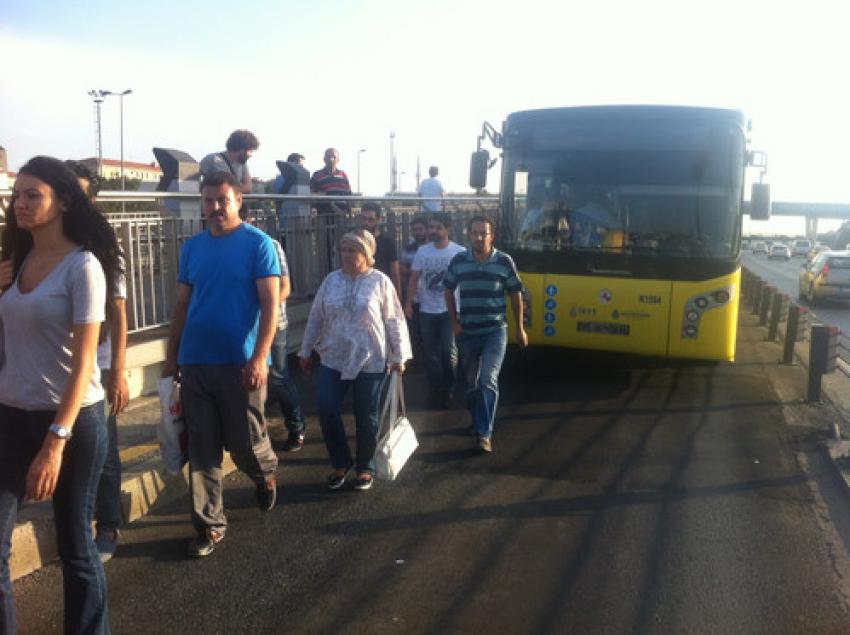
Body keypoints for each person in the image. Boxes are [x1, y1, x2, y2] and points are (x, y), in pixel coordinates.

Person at [0, 155, 122, 634]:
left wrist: (56, 442)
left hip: (71, 421)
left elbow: (85, 362)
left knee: (75, 545)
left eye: (34, 195)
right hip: (10, 416)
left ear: (64, 202)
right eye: (17, 196)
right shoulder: (16, 261)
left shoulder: (82, 267)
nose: (21, 205)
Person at [162, 171, 280, 558]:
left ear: (238, 200)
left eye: (221, 200)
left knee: (245, 443)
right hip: (196, 361)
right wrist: (171, 358)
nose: (213, 208)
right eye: (208, 201)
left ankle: (264, 474)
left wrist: (260, 357)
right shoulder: (193, 248)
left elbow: (269, 307)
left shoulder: (258, 245)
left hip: (240, 363)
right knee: (202, 447)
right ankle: (210, 524)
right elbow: (182, 305)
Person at [299, 230, 411, 492]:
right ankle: (341, 463)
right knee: (326, 409)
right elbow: (316, 317)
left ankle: (365, 467)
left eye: (354, 250)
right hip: (334, 357)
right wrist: (305, 351)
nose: (347, 255)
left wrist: (399, 355)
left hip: (370, 359)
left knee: (366, 416)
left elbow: (394, 320)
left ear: (368, 254)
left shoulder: (380, 282)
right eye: (344, 250)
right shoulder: (331, 281)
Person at [67, 160, 129, 564]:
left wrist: (119, 371)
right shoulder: (38, 240)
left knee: (102, 448)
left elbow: (120, 312)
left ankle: (107, 524)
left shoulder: (104, 246)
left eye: (79, 193)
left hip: (100, 361)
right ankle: (76, 525)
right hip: (53, 363)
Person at [443, 216, 527, 453]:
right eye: (475, 233)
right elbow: (448, 290)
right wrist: (455, 323)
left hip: (494, 331)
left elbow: (515, 294)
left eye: (484, 233)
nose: (479, 237)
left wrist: (520, 329)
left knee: (487, 381)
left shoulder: (504, 261)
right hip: (467, 332)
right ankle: (478, 420)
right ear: (469, 235)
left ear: (492, 235)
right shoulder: (459, 260)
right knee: (471, 386)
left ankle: (484, 433)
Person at [405, 213, 465, 408]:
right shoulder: (423, 251)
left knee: (448, 352)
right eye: (432, 227)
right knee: (430, 354)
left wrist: (464, 308)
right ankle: (435, 389)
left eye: (438, 227)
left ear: (448, 230)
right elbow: (414, 278)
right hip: (426, 311)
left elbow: (465, 282)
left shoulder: (459, 252)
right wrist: (408, 304)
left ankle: (449, 387)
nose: (433, 231)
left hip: (450, 311)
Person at [267, 237, 307, 452]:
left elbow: (285, 287)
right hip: (241, 326)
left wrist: (264, 312)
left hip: (273, 322)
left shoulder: (270, 245)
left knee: (278, 377)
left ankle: (296, 426)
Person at [358, 201, 401, 298]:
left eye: (370, 220)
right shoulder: (355, 241)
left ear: (378, 220)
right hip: (360, 292)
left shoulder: (387, 242)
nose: (366, 223)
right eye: (364, 219)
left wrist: (398, 299)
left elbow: (395, 274)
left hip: (381, 292)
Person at [400, 215, 428, 358]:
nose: (417, 232)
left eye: (420, 229)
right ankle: (415, 362)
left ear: (427, 230)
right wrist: (416, 271)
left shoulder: (433, 247)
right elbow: (402, 270)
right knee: (414, 332)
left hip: (431, 299)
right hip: (414, 296)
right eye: (415, 230)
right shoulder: (409, 248)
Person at [199, 129, 259, 194]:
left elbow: (248, 188)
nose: (251, 155)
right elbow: (222, 188)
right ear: (241, 149)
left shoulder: (242, 163)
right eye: (250, 151)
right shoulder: (213, 160)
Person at [273, 153, 311, 233]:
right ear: (294, 163)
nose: (303, 168)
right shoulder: (283, 179)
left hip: (287, 220)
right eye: (301, 165)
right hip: (292, 220)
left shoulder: (279, 179)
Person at [310, 147, 352, 215]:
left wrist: (349, 213)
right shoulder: (317, 175)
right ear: (324, 159)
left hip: (342, 215)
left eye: (334, 157)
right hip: (324, 215)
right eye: (328, 157)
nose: (331, 159)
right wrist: (324, 195)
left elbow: (349, 195)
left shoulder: (343, 175)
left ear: (338, 160)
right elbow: (311, 194)